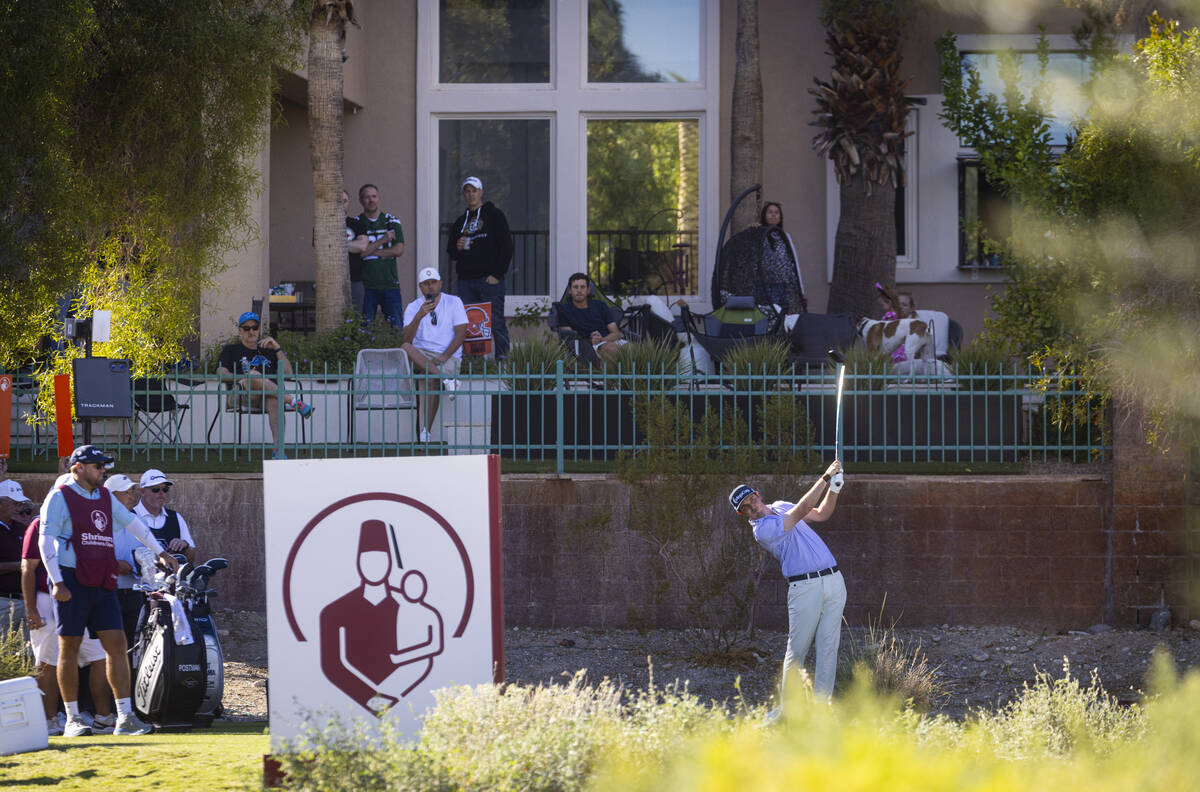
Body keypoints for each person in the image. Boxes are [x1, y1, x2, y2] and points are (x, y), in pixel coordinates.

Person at [38, 444, 181, 737]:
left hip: (103, 580)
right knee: (69, 649)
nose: (103, 471)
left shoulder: (104, 496)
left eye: (104, 466)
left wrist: (161, 551)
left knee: (116, 646)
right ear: (78, 467)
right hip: (71, 580)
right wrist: (58, 582)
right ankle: (73, 719)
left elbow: (134, 524)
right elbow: (45, 541)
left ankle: (124, 717)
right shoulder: (59, 496)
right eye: (97, 466)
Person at [731, 459, 846, 703]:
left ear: (757, 495)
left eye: (752, 499)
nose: (752, 506)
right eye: (746, 507)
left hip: (833, 579)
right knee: (798, 649)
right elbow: (801, 511)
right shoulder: (761, 530)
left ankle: (821, 707)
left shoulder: (781, 505)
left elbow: (822, 513)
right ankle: (789, 710)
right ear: (743, 515)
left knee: (828, 646)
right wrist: (825, 478)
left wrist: (834, 488)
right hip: (804, 587)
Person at [21, 487, 114, 737]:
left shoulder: (84, 524)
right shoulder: (39, 523)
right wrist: (31, 608)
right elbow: (28, 568)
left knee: (99, 657)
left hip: (80, 597)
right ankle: (52, 720)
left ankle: (103, 717)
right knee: (47, 662)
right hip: (46, 599)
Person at [217, 310, 314, 455]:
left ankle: (278, 449)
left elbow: (288, 374)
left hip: (269, 396)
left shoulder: (269, 350)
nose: (251, 332)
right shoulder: (231, 350)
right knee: (254, 375)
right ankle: (294, 402)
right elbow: (221, 373)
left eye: (255, 328)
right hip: (244, 394)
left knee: (274, 400)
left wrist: (277, 347)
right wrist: (244, 378)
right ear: (239, 330)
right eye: (247, 328)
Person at [446, 176, 513, 358]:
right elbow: (451, 252)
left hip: (489, 280)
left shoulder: (495, 215)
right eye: (467, 191)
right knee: (470, 324)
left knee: (496, 322)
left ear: (481, 192)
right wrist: (457, 247)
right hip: (466, 282)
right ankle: (475, 365)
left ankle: (503, 364)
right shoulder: (461, 222)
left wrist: (497, 274)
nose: (470, 194)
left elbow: (507, 246)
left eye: (474, 190)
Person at [401, 267, 469, 443]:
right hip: (420, 355)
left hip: (448, 356)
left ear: (440, 283)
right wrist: (418, 316)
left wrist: (445, 356)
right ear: (420, 287)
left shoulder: (454, 302)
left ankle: (426, 431)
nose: (430, 287)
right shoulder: (413, 307)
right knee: (406, 346)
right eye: (426, 284)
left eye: (433, 283)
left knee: (432, 379)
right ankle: (448, 380)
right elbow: (407, 338)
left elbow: (461, 332)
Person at [357, 183, 406, 327]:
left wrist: (370, 250)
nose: (371, 200)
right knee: (364, 330)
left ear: (378, 199)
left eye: (374, 196)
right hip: (366, 285)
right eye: (367, 197)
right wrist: (383, 240)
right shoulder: (357, 223)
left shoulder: (392, 221)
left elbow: (398, 250)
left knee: (396, 329)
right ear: (361, 201)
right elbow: (358, 255)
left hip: (390, 284)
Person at [108, 474, 147, 645]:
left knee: (134, 644)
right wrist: (113, 565)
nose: (132, 496)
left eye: (132, 491)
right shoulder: (100, 521)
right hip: (108, 592)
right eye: (126, 492)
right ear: (111, 495)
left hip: (134, 592)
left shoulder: (138, 521)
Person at [557, 272, 625, 363]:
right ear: (569, 290)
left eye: (582, 287)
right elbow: (568, 337)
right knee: (611, 349)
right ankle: (608, 377)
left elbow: (616, 333)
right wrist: (590, 340)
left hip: (607, 339)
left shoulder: (601, 305)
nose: (579, 290)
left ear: (588, 290)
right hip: (585, 346)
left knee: (632, 349)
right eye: (575, 287)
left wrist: (602, 339)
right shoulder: (564, 310)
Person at [135, 469, 196, 564]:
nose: (161, 493)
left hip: (171, 578)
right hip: (139, 578)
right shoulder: (130, 517)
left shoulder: (175, 517)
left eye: (165, 489)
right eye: (155, 489)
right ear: (142, 491)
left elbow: (191, 558)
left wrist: (185, 545)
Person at [757, 202, 807, 313]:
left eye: (776, 212)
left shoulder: (785, 237)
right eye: (770, 212)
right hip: (764, 285)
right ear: (764, 215)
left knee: (782, 317)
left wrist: (801, 289)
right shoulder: (759, 234)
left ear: (780, 217)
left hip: (782, 285)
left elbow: (794, 262)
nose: (773, 215)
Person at [0, 479, 32, 636]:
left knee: (26, 655)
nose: (18, 508)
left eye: (20, 504)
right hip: (2, 601)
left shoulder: (20, 528)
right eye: (14, 504)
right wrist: (17, 565)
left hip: (24, 601)